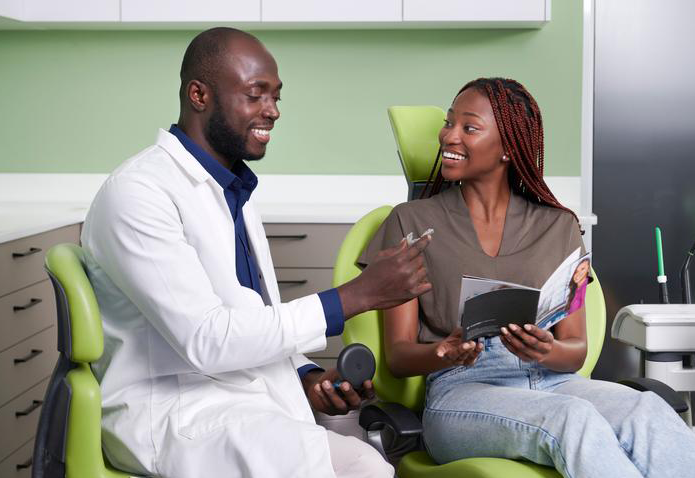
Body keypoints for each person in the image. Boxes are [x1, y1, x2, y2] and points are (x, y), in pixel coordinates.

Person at [81, 27, 432, 478]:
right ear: (199, 95)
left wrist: (307, 377)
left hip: (239, 402)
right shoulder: (138, 193)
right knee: (358, 470)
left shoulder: (232, 190)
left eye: (276, 96)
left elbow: (247, 318)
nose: (273, 110)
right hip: (175, 414)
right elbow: (207, 338)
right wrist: (354, 296)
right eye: (255, 94)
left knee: (369, 464)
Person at [360, 77, 695, 478]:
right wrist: (443, 352)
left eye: (469, 127)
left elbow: (575, 351)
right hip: (462, 391)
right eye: (449, 123)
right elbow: (398, 357)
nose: (449, 136)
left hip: (553, 381)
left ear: (507, 148)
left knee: (646, 409)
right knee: (571, 418)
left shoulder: (558, 226)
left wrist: (545, 349)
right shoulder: (410, 222)